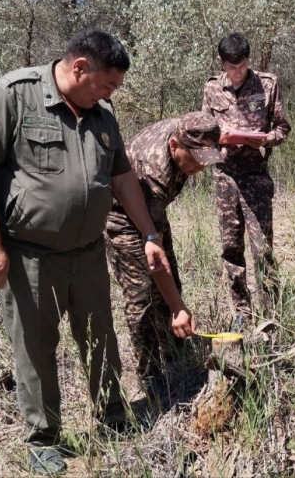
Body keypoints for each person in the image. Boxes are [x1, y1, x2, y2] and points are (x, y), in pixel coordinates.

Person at [0, 29, 171, 475]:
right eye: (106, 85)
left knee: (101, 337)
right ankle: (43, 438)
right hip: (30, 256)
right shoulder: (13, 96)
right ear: (79, 68)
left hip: (89, 252)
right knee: (36, 348)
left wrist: (150, 235)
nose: (109, 94)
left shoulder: (102, 115)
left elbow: (123, 179)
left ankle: (112, 415)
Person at [106, 111, 224, 398]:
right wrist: (178, 307)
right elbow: (155, 262)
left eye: (205, 159)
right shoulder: (155, 171)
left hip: (150, 213)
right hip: (120, 216)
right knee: (143, 296)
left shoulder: (191, 130)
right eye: (195, 159)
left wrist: (174, 301)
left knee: (172, 286)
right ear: (174, 146)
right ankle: (150, 375)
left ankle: (174, 349)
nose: (200, 167)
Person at [201, 33, 291, 327]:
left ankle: (271, 313)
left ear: (249, 60)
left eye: (241, 66)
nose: (237, 72)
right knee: (231, 247)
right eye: (231, 67)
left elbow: (283, 128)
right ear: (222, 62)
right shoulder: (212, 88)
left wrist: (265, 140)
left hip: (255, 176)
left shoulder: (267, 84)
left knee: (262, 247)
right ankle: (242, 310)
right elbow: (203, 132)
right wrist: (219, 137)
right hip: (225, 177)